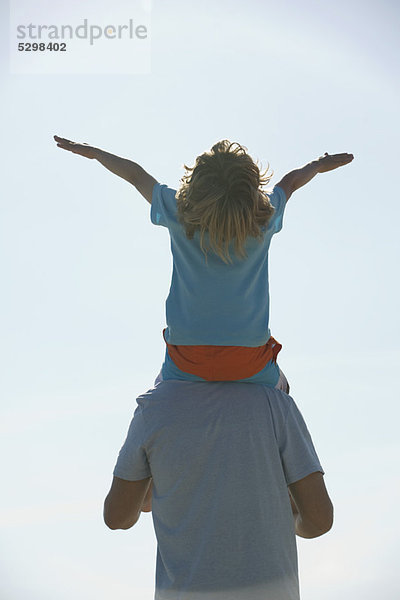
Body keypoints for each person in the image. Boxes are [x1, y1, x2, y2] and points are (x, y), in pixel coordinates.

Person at [53, 135, 354, 391]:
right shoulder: (265, 215)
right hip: (248, 357)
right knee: (284, 389)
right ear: (250, 184)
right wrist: (317, 165)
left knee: (157, 397)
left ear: (197, 181)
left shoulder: (179, 211)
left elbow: (135, 175)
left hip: (187, 356)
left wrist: (94, 153)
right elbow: (290, 182)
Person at [103, 379, 333, 600]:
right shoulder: (276, 403)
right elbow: (319, 519)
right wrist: (286, 518)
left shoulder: (155, 406)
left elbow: (118, 516)